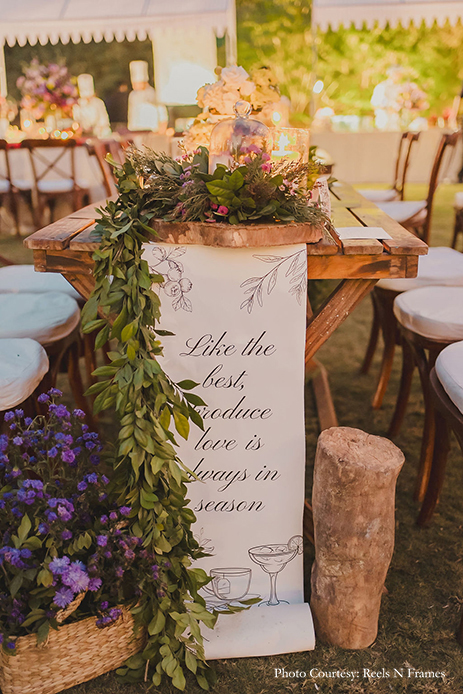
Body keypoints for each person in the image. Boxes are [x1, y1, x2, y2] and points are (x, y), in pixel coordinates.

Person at [127, 60, 167, 132]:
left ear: (144, 82)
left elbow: (162, 112)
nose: (134, 86)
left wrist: (162, 127)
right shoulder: (132, 95)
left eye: (136, 83)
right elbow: (131, 115)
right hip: (136, 130)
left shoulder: (153, 93)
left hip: (153, 130)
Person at [73, 74, 111, 138]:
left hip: (99, 135)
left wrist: (99, 129)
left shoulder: (99, 103)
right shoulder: (77, 105)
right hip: (84, 135)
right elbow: (76, 121)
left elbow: (104, 120)